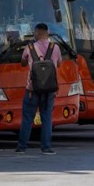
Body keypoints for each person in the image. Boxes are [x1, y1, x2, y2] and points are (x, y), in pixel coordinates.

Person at [15, 22, 62, 155]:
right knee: (46, 118)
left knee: (27, 118)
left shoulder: (29, 47)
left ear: (37, 33)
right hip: (49, 90)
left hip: (32, 90)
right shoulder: (55, 47)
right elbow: (59, 64)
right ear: (47, 33)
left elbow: (23, 62)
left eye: (35, 33)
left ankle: (22, 147)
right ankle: (46, 147)